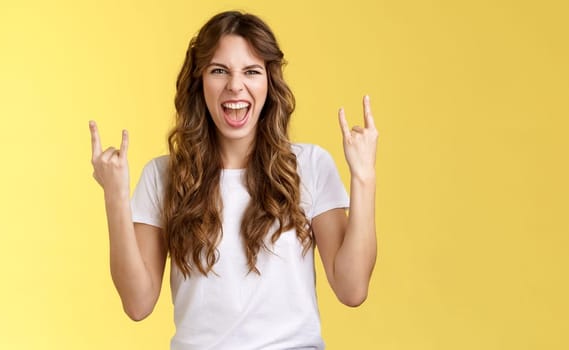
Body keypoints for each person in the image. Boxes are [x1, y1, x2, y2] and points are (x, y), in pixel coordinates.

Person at [88, 11, 378, 349]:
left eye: (251, 72)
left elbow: (352, 289)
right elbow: (137, 304)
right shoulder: (164, 176)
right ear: (199, 82)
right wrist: (115, 198)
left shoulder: (309, 166)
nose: (235, 86)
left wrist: (364, 177)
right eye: (219, 71)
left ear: (269, 84)